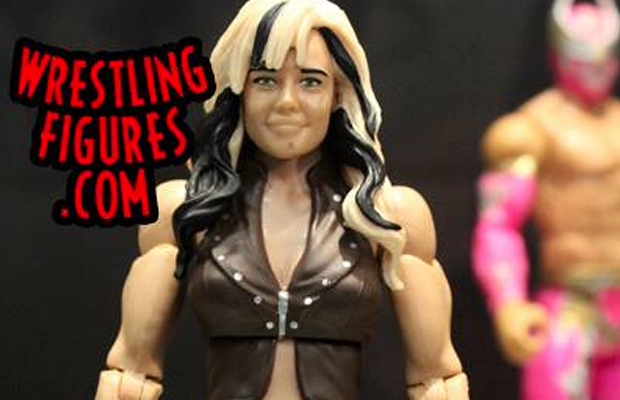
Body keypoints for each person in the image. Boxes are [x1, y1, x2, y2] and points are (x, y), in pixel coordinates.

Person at [94, 1, 470, 399]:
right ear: (238, 89)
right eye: (265, 80)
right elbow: (129, 376)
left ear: (338, 92)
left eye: (310, 81)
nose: (287, 101)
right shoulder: (183, 212)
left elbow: (437, 382)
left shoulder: (389, 216)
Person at [472, 1, 620, 399]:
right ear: (558, 56)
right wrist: (509, 302)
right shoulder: (530, 131)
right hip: (570, 305)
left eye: (606, 59)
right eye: (584, 59)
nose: (597, 68)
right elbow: (499, 225)